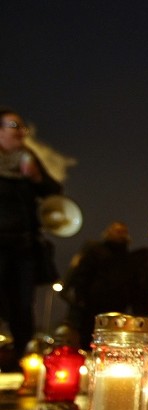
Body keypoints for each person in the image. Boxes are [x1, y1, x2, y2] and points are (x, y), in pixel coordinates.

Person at [0, 108, 63, 369]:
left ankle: (21, 361)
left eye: (22, 126)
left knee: (23, 305)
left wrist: (36, 176)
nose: (20, 131)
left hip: (23, 246)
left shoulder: (27, 157)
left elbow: (53, 189)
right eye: (14, 125)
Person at [62, 222, 148, 348]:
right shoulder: (95, 252)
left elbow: (134, 287)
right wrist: (81, 299)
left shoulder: (129, 260)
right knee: (87, 340)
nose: (119, 234)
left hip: (117, 309)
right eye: (116, 231)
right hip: (92, 308)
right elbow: (82, 276)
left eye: (122, 231)